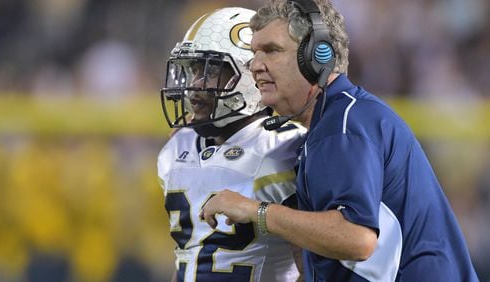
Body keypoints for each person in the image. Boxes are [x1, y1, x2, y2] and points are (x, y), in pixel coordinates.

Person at [200, 0, 479, 281]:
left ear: (317, 56)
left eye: (271, 50)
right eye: (254, 53)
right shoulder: (336, 120)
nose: (255, 65)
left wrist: (255, 211)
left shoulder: (343, 125)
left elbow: (356, 238)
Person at [157, 7, 306, 282]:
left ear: (251, 74)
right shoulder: (177, 148)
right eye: (193, 70)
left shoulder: (284, 149)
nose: (195, 85)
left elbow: (312, 266)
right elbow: (191, 254)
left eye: (211, 70)